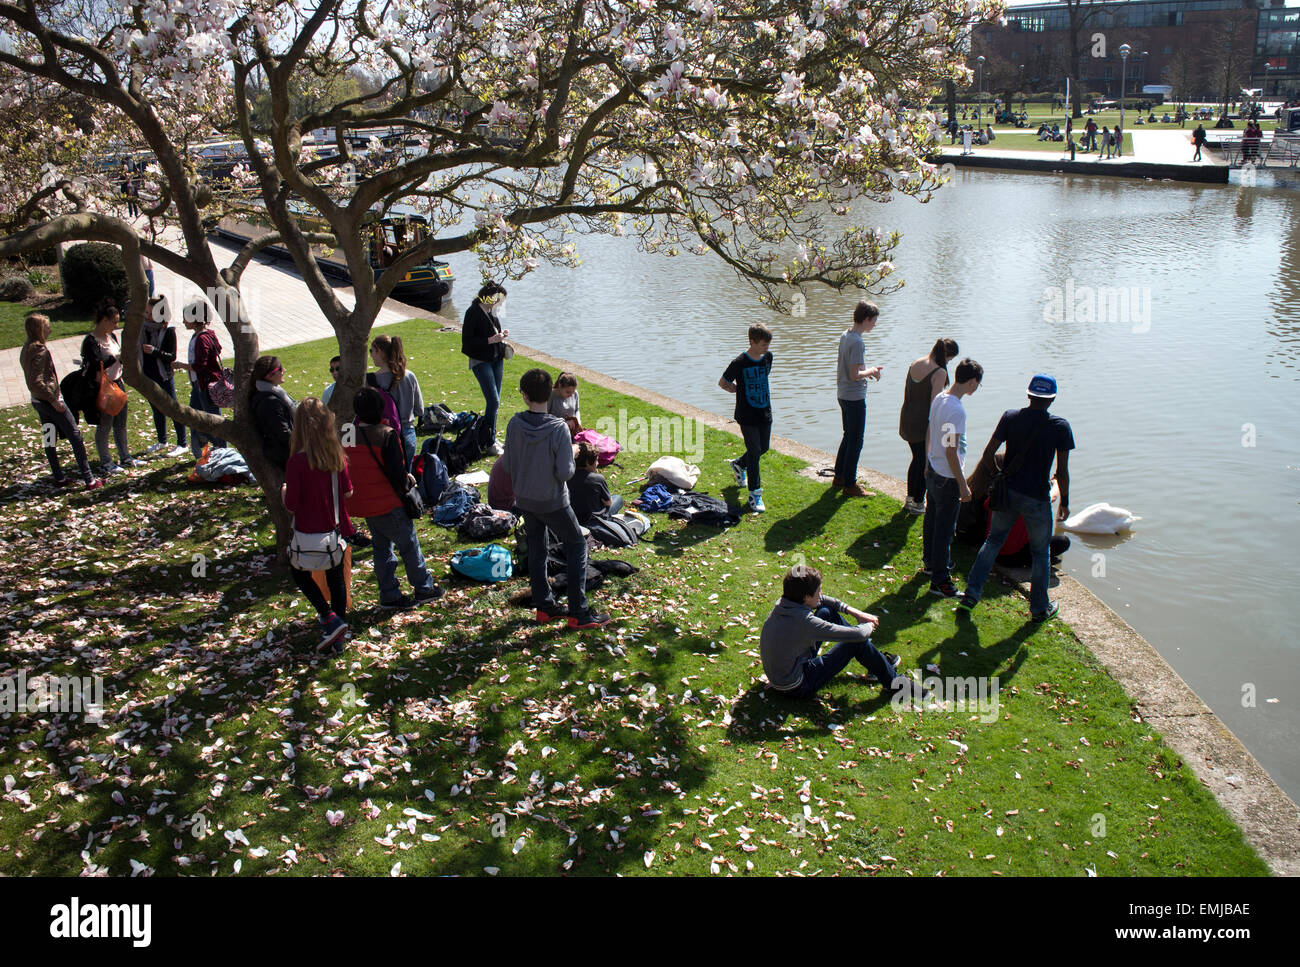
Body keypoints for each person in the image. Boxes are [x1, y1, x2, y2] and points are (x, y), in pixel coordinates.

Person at [959, 374, 1074, 622]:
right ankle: (1040, 609)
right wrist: (1064, 501)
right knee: (1041, 553)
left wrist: (999, 477)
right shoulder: (1060, 427)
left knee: (992, 541)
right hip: (1038, 499)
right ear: (1052, 399)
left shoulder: (1011, 417)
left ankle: (970, 595)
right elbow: (1062, 472)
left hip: (1008, 494)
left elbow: (988, 453)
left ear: (1028, 395)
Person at [505, 368, 610, 629]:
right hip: (553, 501)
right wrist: (572, 453)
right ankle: (578, 612)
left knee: (537, 548)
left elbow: (508, 464)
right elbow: (565, 472)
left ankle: (545, 607)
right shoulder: (558, 429)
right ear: (550, 392)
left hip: (525, 500)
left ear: (524, 395)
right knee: (576, 545)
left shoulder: (514, 424)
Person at [345, 387, 444, 610]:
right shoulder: (386, 435)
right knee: (409, 546)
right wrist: (408, 480)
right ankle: (423, 587)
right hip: (387, 502)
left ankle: (389, 593)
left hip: (364, 501)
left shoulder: (347, 432)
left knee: (381, 548)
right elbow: (396, 474)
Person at [760, 565, 922, 700]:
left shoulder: (784, 602)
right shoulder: (805, 622)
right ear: (806, 597)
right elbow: (858, 635)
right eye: (818, 591)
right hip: (797, 686)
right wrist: (868, 625)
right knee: (856, 643)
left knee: (825, 611)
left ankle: (877, 662)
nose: (821, 594)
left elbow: (823, 601)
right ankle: (895, 683)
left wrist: (856, 613)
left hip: (783, 673)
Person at [282, 397, 354, 652]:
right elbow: (348, 494)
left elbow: (291, 504)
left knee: (299, 572)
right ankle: (338, 628)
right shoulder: (337, 457)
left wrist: (284, 491)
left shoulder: (297, 462)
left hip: (306, 532)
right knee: (336, 579)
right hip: (332, 531)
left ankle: (329, 617)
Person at [921, 358, 983, 598]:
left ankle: (931, 563)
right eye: (977, 384)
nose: (976, 388)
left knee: (931, 521)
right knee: (945, 531)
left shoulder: (940, 398)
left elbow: (930, 432)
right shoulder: (956, 409)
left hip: (935, 470)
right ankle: (940, 581)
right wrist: (963, 484)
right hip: (947, 478)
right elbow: (950, 450)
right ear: (972, 381)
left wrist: (927, 462)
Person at [20, 313, 102, 492]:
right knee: (75, 436)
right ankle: (89, 479)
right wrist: (53, 400)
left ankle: (58, 476)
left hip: (38, 402)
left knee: (49, 438)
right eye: (47, 326)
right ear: (40, 329)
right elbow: (37, 380)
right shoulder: (40, 350)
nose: (50, 329)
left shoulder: (27, 348)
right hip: (50, 402)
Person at [899, 337, 959, 515]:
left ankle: (910, 498)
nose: (948, 363)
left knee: (916, 459)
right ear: (946, 356)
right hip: (922, 424)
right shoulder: (939, 372)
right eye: (950, 359)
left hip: (907, 417)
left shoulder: (916, 362)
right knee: (924, 462)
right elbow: (935, 404)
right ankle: (918, 503)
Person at [719, 323, 774, 513]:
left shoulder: (768, 357)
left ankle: (739, 464)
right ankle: (755, 496)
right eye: (763, 345)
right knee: (755, 450)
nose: (766, 349)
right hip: (746, 414)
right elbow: (723, 382)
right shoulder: (739, 362)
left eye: (768, 345)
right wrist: (734, 389)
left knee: (763, 448)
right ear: (752, 342)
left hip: (765, 411)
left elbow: (765, 375)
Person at [81, 300, 141, 474]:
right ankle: (106, 461)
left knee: (121, 423)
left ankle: (125, 456)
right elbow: (94, 365)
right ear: (104, 320)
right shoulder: (91, 342)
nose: (116, 325)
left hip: (118, 383)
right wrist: (115, 358)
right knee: (105, 424)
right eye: (114, 321)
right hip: (104, 388)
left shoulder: (112, 337)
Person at [833, 301, 882, 497]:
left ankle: (840, 476)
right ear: (867, 318)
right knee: (856, 440)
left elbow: (851, 369)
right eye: (874, 321)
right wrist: (872, 371)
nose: (875, 325)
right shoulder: (858, 342)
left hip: (843, 394)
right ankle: (850, 484)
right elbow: (855, 374)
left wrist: (865, 371)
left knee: (848, 436)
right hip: (854, 397)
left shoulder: (846, 335)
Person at [462, 281, 510, 456]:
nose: (500, 303)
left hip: (496, 359)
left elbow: (492, 333)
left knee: (495, 401)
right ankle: (488, 442)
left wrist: (501, 335)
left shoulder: (491, 312)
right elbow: (467, 342)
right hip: (481, 360)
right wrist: (490, 340)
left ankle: (490, 436)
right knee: (493, 401)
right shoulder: (473, 312)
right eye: (498, 299)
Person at [173, 301, 225, 458]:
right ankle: (200, 452)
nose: (183, 321)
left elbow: (200, 366)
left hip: (205, 385)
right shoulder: (203, 335)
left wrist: (181, 365)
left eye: (185, 318)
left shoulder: (201, 338)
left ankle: (221, 450)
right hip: (198, 385)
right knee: (194, 416)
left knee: (212, 418)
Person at [140, 295, 188, 457]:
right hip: (147, 374)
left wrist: (154, 351)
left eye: (151, 313)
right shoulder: (143, 328)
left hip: (163, 375)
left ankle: (182, 443)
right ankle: (162, 440)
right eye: (146, 312)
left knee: (172, 407)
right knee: (156, 408)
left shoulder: (168, 331)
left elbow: (171, 356)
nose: (147, 316)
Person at [367, 334, 423, 472]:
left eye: (371, 351)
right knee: (406, 479)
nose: (371, 355)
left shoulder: (371, 381)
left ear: (379, 351)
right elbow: (419, 409)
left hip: (383, 436)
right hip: (408, 434)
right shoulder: (409, 376)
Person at [249, 355, 296, 473]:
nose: (284, 370)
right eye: (281, 368)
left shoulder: (273, 393)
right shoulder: (270, 402)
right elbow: (283, 434)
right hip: (283, 455)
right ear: (270, 376)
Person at [567, 441, 624, 525]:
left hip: (573, 519)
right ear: (587, 462)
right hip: (595, 520)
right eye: (596, 460)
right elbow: (608, 502)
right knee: (618, 498)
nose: (598, 463)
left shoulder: (566, 476)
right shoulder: (597, 479)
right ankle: (610, 523)